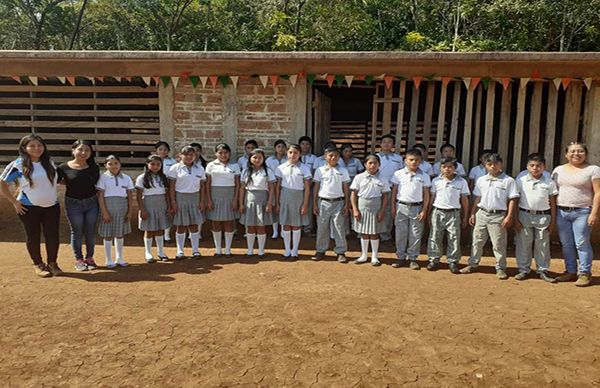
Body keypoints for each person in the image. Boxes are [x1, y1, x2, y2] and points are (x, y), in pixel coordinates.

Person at [0, 134, 61, 277]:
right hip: (28, 207)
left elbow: (56, 181)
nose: (37, 148)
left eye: (39, 145)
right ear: (24, 148)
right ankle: (38, 264)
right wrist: (14, 202)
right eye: (32, 146)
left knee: (52, 236)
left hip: (52, 205)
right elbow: (2, 183)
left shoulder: (50, 162)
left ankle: (52, 263)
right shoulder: (18, 164)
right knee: (33, 236)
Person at [460, 153, 519, 279]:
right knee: (477, 241)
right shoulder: (481, 180)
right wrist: (473, 213)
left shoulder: (508, 181)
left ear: (500, 164)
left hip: (498, 215)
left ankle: (500, 267)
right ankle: (473, 264)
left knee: (498, 243)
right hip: (482, 213)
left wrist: (509, 216)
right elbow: (478, 198)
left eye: (496, 164)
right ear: (485, 165)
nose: (493, 167)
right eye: (489, 164)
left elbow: (512, 200)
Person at [552, 142, 600, 287]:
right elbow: (553, 192)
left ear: (585, 153)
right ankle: (570, 271)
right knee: (566, 244)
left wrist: (594, 213)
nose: (576, 154)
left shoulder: (593, 169)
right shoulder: (558, 170)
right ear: (566, 154)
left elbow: (598, 192)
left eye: (580, 151)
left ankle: (585, 273)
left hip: (583, 211)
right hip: (562, 211)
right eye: (572, 151)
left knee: (581, 243)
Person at [514, 153, 557, 283]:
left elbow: (553, 202)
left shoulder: (549, 181)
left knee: (542, 244)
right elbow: (515, 199)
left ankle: (542, 270)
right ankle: (523, 269)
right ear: (527, 166)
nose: (535, 168)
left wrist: (553, 221)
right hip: (524, 214)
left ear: (544, 167)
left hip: (543, 216)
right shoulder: (521, 179)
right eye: (532, 165)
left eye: (539, 166)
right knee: (523, 242)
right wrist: (515, 219)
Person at [57, 140, 100, 271]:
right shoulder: (63, 167)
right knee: (76, 231)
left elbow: (96, 184)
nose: (83, 153)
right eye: (80, 149)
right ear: (73, 150)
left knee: (90, 232)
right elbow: (58, 180)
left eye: (87, 150)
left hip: (91, 202)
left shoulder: (94, 167)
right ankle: (79, 260)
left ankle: (90, 258)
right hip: (73, 203)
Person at [426, 157, 470, 273]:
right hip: (438, 211)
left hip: (454, 212)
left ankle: (453, 261)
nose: (447, 169)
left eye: (450, 167)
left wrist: (465, 216)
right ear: (440, 168)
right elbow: (432, 197)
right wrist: (429, 212)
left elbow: (464, 199)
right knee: (435, 236)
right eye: (444, 167)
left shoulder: (461, 182)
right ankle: (434, 259)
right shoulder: (436, 181)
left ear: (455, 168)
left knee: (454, 237)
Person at [390, 148, 431, 269]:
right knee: (400, 233)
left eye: (416, 160)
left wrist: (424, 210)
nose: (414, 162)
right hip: (401, 206)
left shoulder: (424, 176)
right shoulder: (398, 174)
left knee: (415, 234)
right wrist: (393, 206)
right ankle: (400, 257)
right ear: (405, 161)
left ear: (420, 161)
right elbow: (394, 191)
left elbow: (427, 194)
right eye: (411, 160)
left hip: (417, 207)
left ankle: (413, 258)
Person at [311, 146, 351, 263]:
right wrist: (314, 203)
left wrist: (346, 204)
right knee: (322, 227)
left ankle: (340, 251)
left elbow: (346, 188)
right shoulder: (320, 170)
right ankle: (320, 250)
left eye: (336, 156)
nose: (333, 158)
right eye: (330, 155)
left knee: (339, 227)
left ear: (339, 157)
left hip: (339, 202)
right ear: (325, 157)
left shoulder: (343, 171)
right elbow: (316, 187)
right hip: (323, 202)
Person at [350, 154, 390, 266]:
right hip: (362, 206)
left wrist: (382, 210)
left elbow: (385, 196)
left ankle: (374, 256)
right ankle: (363, 255)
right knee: (364, 232)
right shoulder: (359, 177)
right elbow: (353, 194)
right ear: (365, 164)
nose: (372, 165)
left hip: (376, 207)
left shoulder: (382, 178)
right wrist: (355, 209)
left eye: (375, 163)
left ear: (379, 165)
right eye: (370, 163)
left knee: (374, 232)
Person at [96, 155, 135, 268]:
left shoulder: (126, 178)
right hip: (108, 207)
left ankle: (120, 258)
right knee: (108, 234)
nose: (113, 166)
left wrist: (129, 212)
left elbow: (129, 196)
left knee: (119, 234)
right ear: (105, 165)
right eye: (110, 164)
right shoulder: (103, 178)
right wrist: (104, 212)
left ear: (120, 164)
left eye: (116, 163)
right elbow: (100, 196)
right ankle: (109, 259)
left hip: (122, 208)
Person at [168, 145, 206, 260]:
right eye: (186, 154)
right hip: (180, 197)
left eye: (191, 155)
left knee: (194, 225)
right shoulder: (175, 168)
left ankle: (195, 250)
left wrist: (202, 201)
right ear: (180, 155)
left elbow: (202, 186)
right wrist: (173, 201)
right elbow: (171, 187)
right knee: (181, 225)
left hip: (195, 197)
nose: (189, 157)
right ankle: (180, 251)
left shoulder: (199, 168)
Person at [276, 144, 312, 259]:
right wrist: (277, 202)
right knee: (286, 224)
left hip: (298, 197)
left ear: (300, 154)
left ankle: (295, 250)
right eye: (290, 152)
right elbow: (277, 187)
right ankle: (287, 250)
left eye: (296, 153)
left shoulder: (304, 168)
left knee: (296, 225)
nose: (293, 155)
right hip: (285, 196)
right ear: (287, 153)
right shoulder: (281, 168)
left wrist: (305, 204)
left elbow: (307, 188)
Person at [206, 143, 241, 257]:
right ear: (216, 153)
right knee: (216, 222)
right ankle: (218, 249)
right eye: (220, 152)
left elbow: (238, 184)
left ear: (229, 153)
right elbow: (207, 184)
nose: (223, 155)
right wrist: (209, 200)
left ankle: (228, 249)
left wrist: (236, 199)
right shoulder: (211, 165)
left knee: (229, 222)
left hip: (230, 196)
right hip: (215, 196)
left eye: (225, 152)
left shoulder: (235, 166)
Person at [239, 148, 275, 257]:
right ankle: (250, 250)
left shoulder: (267, 171)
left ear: (263, 159)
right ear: (250, 158)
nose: (257, 159)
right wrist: (241, 203)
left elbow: (271, 188)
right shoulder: (246, 171)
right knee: (250, 225)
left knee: (261, 225)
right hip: (249, 199)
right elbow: (242, 188)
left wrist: (269, 203)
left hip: (263, 199)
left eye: (260, 157)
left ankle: (261, 250)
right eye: (254, 157)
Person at [136, 155, 171, 263]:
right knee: (149, 229)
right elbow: (138, 196)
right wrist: (142, 209)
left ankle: (161, 252)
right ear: (147, 164)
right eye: (152, 164)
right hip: (148, 204)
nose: (155, 167)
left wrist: (169, 206)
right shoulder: (142, 178)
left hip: (161, 204)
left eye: (158, 164)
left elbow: (166, 194)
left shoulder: (164, 177)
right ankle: (148, 253)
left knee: (160, 229)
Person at [377, 134, 404, 242]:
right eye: (384, 142)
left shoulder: (398, 158)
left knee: (388, 212)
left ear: (393, 144)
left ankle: (385, 235)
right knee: (375, 209)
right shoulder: (375, 157)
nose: (386, 144)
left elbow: (401, 173)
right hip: (376, 188)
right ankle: (373, 234)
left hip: (391, 188)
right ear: (380, 143)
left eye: (389, 142)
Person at [339, 143, 365, 236]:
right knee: (344, 207)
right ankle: (346, 230)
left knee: (354, 207)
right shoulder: (338, 160)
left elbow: (361, 172)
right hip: (341, 185)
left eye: (350, 151)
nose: (348, 153)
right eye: (346, 151)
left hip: (354, 185)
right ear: (341, 152)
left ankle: (357, 229)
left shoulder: (356, 161)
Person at [154, 141, 177, 242]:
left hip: (169, 188)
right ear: (156, 151)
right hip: (156, 189)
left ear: (168, 151)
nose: (163, 151)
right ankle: (156, 232)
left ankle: (166, 235)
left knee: (168, 210)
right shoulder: (152, 161)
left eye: (165, 150)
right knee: (157, 211)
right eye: (160, 149)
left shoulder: (173, 162)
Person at [266, 139, 288, 239]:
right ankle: (275, 230)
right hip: (272, 186)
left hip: (284, 186)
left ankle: (283, 229)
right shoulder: (269, 160)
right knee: (274, 207)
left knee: (283, 207)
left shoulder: (288, 159)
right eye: (279, 146)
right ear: (275, 148)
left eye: (283, 147)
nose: (281, 149)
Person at [299, 136, 317, 235]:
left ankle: (308, 228)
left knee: (308, 207)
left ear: (310, 146)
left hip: (309, 186)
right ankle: (298, 227)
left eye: (307, 144)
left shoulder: (314, 158)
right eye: (302, 144)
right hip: (297, 186)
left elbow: (314, 172)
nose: (305, 146)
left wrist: (309, 185)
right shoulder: (296, 156)